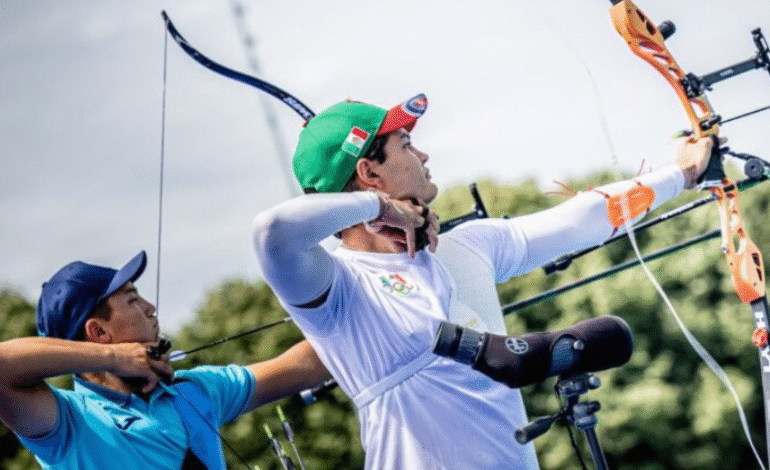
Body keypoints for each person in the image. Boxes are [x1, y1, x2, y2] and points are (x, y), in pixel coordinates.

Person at [250, 93, 715, 469]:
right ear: (369, 173)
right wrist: (381, 208)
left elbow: (582, 219)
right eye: (406, 145)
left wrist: (682, 174)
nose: (423, 154)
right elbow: (272, 232)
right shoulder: (336, 288)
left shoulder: (466, 248)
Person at [0, 250, 330, 470]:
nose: (150, 307)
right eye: (132, 300)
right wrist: (114, 357)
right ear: (99, 331)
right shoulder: (67, 423)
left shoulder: (193, 390)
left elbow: (307, 365)